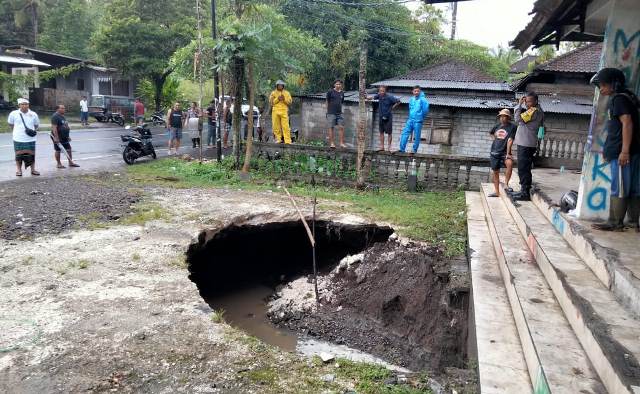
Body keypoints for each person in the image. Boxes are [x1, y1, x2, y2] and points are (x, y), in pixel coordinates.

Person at [590, 68, 640, 231]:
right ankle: (633, 222)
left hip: (623, 153)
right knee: (634, 187)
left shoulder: (619, 99)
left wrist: (624, 151)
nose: (601, 89)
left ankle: (615, 222)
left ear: (614, 84)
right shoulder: (630, 97)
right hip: (632, 151)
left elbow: (627, 123)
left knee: (619, 186)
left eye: (603, 85)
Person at [512, 92, 544, 201]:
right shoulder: (537, 110)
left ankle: (524, 193)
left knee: (523, 167)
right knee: (524, 167)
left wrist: (519, 105)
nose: (527, 103)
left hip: (526, 143)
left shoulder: (533, 111)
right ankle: (523, 190)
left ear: (535, 101)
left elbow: (517, 119)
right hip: (527, 142)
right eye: (526, 101)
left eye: (529, 101)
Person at [7, 98, 40, 176]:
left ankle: (33, 170)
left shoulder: (33, 114)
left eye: (26, 104)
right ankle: (19, 170)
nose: (25, 106)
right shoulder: (13, 113)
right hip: (18, 138)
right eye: (22, 104)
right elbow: (11, 124)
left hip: (30, 138)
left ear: (28, 105)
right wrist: (17, 132)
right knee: (18, 155)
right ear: (19, 105)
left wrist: (30, 132)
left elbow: (36, 125)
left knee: (32, 154)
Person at [487, 109, 516, 197]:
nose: (502, 118)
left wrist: (508, 153)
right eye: (501, 116)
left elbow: (510, 140)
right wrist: (494, 138)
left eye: (504, 116)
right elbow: (491, 133)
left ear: (508, 117)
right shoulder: (497, 126)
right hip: (495, 151)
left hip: (505, 152)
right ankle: (496, 192)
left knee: (510, 164)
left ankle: (506, 184)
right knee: (495, 172)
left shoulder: (513, 127)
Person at [368, 85, 400, 152]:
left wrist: (392, 108)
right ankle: (382, 147)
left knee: (389, 133)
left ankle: (389, 148)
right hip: (381, 116)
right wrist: (366, 97)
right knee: (381, 132)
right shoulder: (379, 95)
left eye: (383, 91)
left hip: (388, 117)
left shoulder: (390, 97)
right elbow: (372, 97)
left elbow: (398, 101)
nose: (381, 92)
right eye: (380, 91)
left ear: (385, 91)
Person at [399, 85, 429, 153]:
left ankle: (414, 150)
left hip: (418, 120)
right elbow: (410, 108)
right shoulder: (411, 99)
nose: (416, 92)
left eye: (418, 91)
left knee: (416, 136)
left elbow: (425, 110)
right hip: (410, 119)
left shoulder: (423, 99)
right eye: (415, 91)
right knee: (405, 133)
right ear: (412, 91)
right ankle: (402, 149)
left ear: (420, 91)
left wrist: (421, 117)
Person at [50, 104, 80, 169]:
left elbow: (65, 126)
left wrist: (68, 136)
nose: (64, 109)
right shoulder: (55, 116)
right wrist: (56, 137)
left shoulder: (62, 116)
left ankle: (71, 162)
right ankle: (58, 164)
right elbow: (54, 128)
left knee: (69, 149)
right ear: (58, 109)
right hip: (57, 136)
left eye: (64, 108)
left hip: (64, 136)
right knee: (58, 150)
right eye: (62, 108)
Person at [269, 80, 293, 144]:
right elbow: (271, 103)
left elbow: (290, 102)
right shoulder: (273, 93)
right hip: (275, 111)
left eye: (281, 85)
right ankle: (278, 139)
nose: (280, 86)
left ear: (283, 86)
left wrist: (284, 99)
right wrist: (278, 99)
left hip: (284, 111)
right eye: (279, 85)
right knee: (276, 126)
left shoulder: (287, 93)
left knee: (286, 126)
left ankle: (288, 141)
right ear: (277, 86)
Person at [326, 79, 346, 148]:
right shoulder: (330, 92)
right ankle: (332, 143)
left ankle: (341, 143)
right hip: (331, 113)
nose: (338, 85)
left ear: (341, 85)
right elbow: (327, 101)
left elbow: (341, 102)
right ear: (334, 85)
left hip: (339, 113)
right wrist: (327, 111)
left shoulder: (342, 93)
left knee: (341, 127)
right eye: (337, 84)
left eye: (339, 84)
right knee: (331, 127)